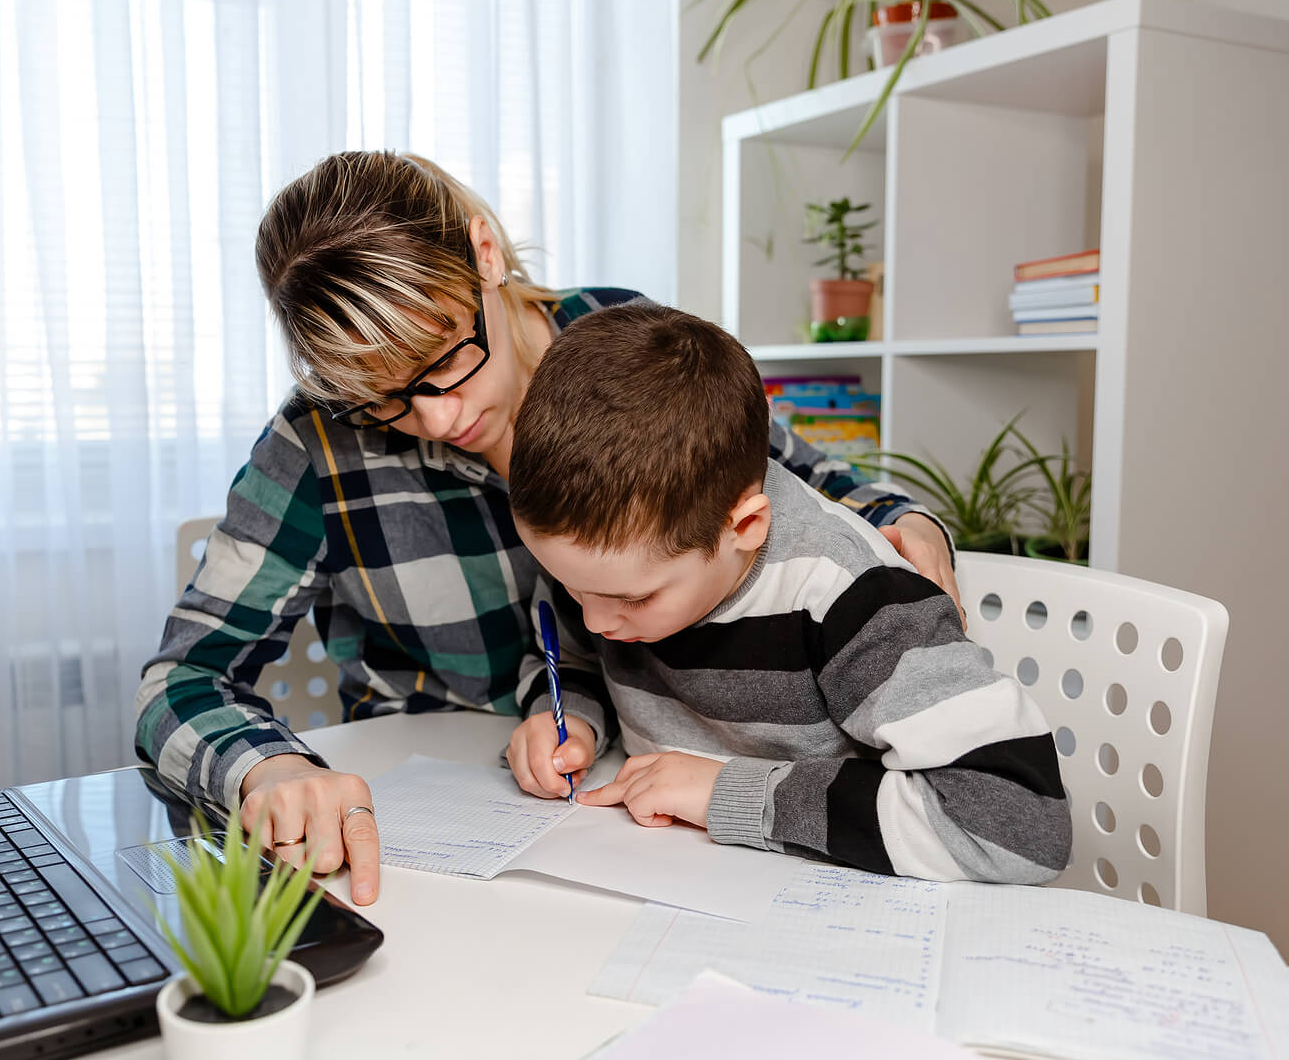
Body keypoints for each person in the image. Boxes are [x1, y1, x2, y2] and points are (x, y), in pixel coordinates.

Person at [135, 151, 966, 905]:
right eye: (383, 397)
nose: (437, 418)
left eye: (443, 358)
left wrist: (903, 523)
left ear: (484, 254)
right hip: (449, 816)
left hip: (661, 800)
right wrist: (268, 768)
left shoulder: (622, 343)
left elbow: (796, 479)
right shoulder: (317, 441)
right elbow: (180, 679)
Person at [504, 301, 1070, 883]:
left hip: (836, 899)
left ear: (745, 526)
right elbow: (568, 656)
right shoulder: (604, 563)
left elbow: (1021, 825)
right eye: (573, 589)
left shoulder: (851, 595)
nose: (595, 621)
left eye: (634, 601)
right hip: (667, 874)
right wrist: (567, 718)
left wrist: (729, 793)